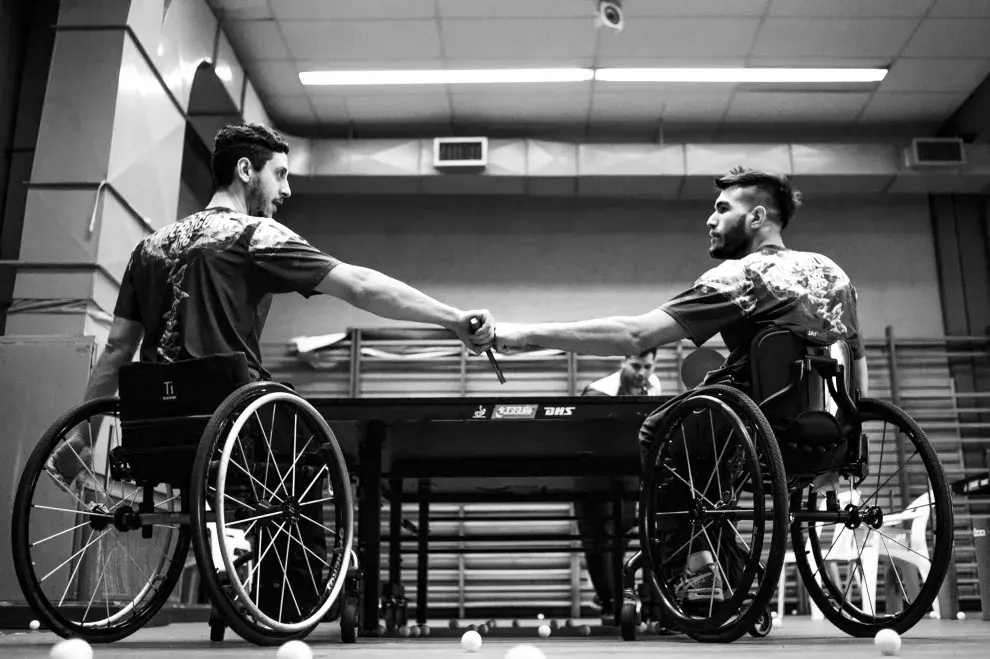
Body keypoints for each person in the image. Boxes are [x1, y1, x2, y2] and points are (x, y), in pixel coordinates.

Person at [45, 121, 495, 618]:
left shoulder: (147, 248)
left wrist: (83, 441)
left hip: (158, 437)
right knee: (309, 453)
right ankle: (291, 606)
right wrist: (451, 319)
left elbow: (115, 352)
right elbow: (362, 286)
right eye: (279, 175)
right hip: (239, 431)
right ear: (245, 170)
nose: (285, 190)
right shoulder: (255, 235)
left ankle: (258, 580)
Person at [495, 166, 867, 604]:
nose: (710, 219)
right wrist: (851, 443)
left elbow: (636, 335)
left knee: (660, 427)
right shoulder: (833, 274)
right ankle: (722, 553)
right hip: (824, 431)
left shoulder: (742, 276)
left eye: (722, 209)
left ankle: (697, 563)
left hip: (758, 426)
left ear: (757, 217)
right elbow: (856, 362)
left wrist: (528, 334)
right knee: (708, 440)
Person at [575, 349, 660, 620]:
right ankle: (608, 597)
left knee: (621, 534)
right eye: (636, 365)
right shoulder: (598, 392)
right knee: (598, 538)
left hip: (627, 472)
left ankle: (615, 598)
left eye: (647, 366)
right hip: (593, 475)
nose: (642, 373)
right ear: (623, 361)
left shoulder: (654, 385)